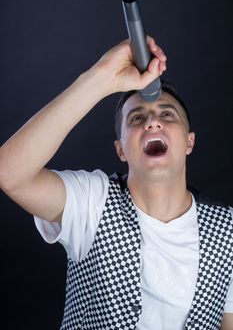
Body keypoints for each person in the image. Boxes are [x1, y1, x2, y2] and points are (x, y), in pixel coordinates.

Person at [0, 36, 232, 330]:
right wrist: (102, 76)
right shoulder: (92, 202)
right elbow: (10, 173)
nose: (152, 122)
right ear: (121, 149)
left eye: (166, 114)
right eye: (136, 118)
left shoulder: (228, 231)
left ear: (189, 142)